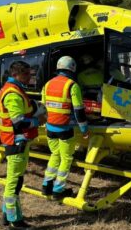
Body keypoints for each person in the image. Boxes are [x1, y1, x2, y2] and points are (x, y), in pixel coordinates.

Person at [0, 61, 41, 229]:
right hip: (16, 141)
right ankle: (15, 220)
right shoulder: (13, 93)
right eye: (27, 74)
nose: (30, 77)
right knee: (15, 182)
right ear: (16, 74)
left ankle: (6, 215)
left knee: (12, 180)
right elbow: (19, 122)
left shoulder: (14, 89)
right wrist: (38, 120)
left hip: (15, 141)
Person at [41, 56, 89, 199]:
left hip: (50, 128)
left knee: (55, 155)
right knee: (66, 158)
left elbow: (43, 108)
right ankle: (58, 190)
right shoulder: (72, 85)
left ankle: (46, 185)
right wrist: (84, 129)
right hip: (65, 129)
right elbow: (79, 111)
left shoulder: (47, 84)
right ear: (72, 68)